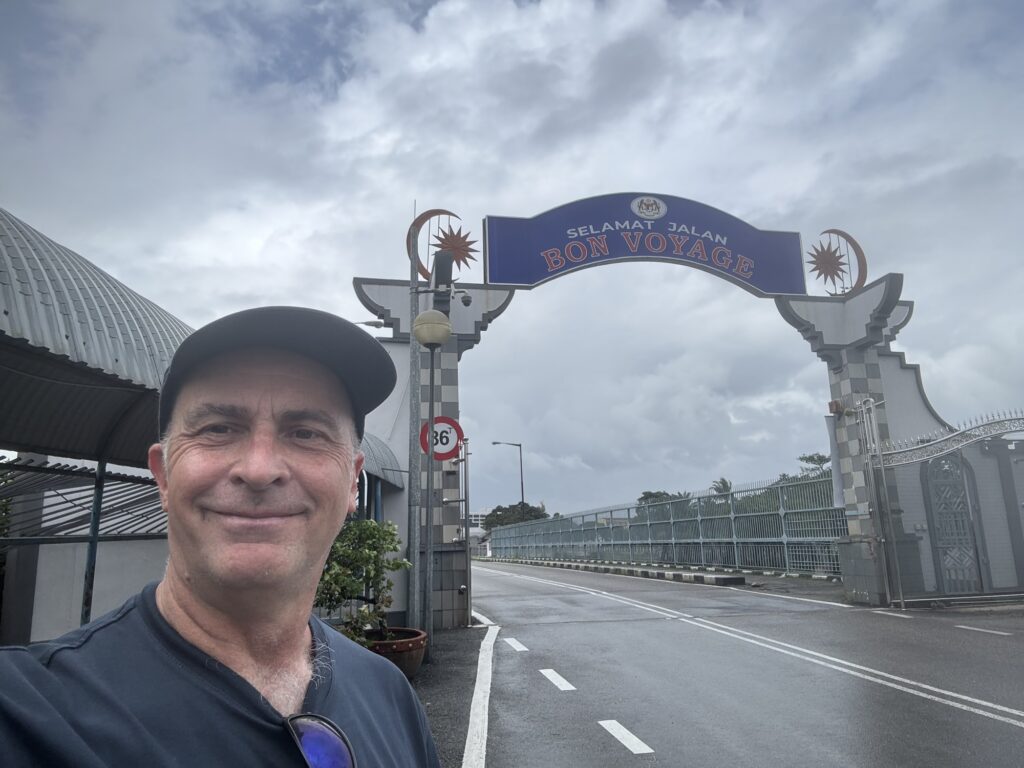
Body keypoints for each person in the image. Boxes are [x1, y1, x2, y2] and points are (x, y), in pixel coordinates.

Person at [0, 306, 441, 767]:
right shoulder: (28, 715)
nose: (259, 470)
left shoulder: (390, 695)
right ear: (163, 476)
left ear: (353, 483)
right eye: (218, 429)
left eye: (306, 433)